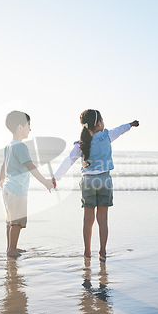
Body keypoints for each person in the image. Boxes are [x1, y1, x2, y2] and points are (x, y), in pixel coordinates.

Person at [52, 109, 139, 261]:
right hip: (104, 180)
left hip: (88, 182)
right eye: (103, 120)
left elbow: (69, 160)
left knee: (88, 219)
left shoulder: (82, 143)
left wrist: (56, 177)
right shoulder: (107, 136)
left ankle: (87, 252)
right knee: (103, 219)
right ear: (98, 123)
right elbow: (120, 130)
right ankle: (103, 252)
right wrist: (130, 124)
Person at [0, 111, 54, 258]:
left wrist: (1, 179)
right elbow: (30, 166)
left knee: (10, 221)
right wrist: (46, 182)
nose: (30, 129)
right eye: (28, 125)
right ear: (20, 128)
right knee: (17, 221)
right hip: (17, 189)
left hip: (8, 188)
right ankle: (11, 250)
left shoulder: (9, 146)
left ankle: (11, 247)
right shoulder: (21, 147)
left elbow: (4, 165)